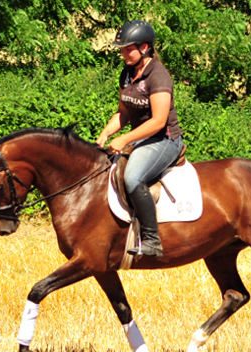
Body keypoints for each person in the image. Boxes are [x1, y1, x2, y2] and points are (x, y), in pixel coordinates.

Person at [97, 20, 184, 258]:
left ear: (144, 47)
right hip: (141, 139)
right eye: (122, 49)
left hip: (164, 140)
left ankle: (152, 240)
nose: (123, 53)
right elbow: (124, 112)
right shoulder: (127, 73)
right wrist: (106, 133)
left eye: (128, 48)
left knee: (133, 178)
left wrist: (124, 140)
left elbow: (158, 121)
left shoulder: (159, 76)